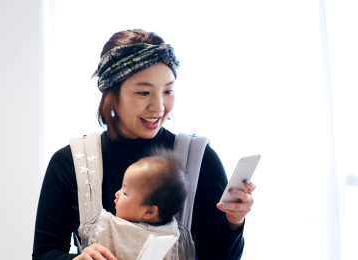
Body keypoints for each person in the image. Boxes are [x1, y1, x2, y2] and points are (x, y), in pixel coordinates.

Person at [32, 29, 256, 260]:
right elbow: (43, 253)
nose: (158, 107)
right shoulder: (70, 162)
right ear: (112, 94)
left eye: (168, 90)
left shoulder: (199, 159)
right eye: (143, 92)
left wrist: (234, 221)